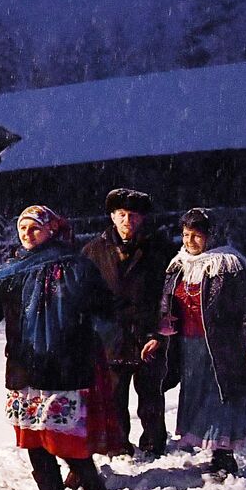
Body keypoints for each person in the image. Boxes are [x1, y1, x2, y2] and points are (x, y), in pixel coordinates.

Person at [0, 207, 116, 490]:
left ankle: (91, 482)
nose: (27, 234)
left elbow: (103, 309)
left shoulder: (76, 267)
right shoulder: (10, 270)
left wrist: (87, 337)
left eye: (35, 228)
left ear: (51, 230)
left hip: (64, 366)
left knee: (63, 437)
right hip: (24, 366)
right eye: (23, 228)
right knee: (33, 439)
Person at [141, 208, 246, 480]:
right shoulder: (178, 264)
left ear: (210, 236)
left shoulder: (230, 264)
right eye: (185, 234)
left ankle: (224, 456)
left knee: (221, 398)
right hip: (189, 346)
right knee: (197, 398)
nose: (190, 241)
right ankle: (211, 448)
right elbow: (165, 305)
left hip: (222, 346)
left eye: (196, 235)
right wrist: (159, 335)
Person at [82, 187, 173, 456]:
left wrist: (158, 332)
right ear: (112, 216)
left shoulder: (159, 250)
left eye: (133, 216)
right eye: (121, 215)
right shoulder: (93, 250)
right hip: (111, 335)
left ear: (142, 218)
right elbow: (84, 295)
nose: (127, 221)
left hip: (147, 333)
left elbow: (168, 294)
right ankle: (119, 445)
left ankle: (154, 445)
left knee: (151, 395)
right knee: (114, 395)